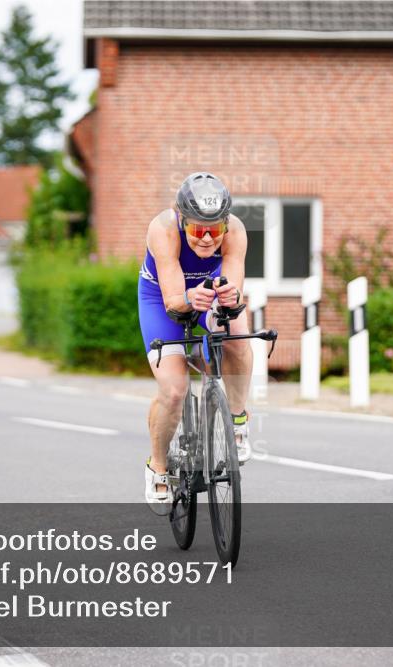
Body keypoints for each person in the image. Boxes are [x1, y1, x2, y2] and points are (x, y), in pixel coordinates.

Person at [137, 172, 252, 513]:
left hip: (210, 291)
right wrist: (189, 297)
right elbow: (174, 301)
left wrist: (231, 297)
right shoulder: (163, 228)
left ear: (225, 226)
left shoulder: (237, 231)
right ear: (183, 220)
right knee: (174, 391)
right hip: (163, 298)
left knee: (238, 338)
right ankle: (158, 465)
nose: (206, 239)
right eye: (198, 230)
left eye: (214, 230)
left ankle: (238, 419)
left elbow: (234, 291)